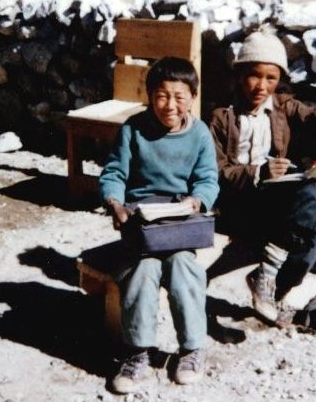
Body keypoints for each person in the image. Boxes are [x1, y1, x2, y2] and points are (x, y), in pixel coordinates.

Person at [209, 25, 316, 322]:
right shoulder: (221, 117)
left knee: (310, 243)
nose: (261, 86)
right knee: (309, 203)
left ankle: (272, 288)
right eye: (254, 75)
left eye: (271, 78)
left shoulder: (283, 107)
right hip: (238, 202)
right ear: (240, 74)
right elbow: (214, 170)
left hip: (275, 200)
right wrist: (257, 172)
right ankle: (266, 277)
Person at [98, 57, 219, 394]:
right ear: (149, 96)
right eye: (162, 95)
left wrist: (197, 200)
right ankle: (137, 353)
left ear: (192, 98)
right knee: (143, 270)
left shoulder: (200, 134)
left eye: (179, 96)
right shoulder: (132, 130)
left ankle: (192, 348)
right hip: (141, 224)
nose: (170, 105)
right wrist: (115, 203)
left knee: (184, 269)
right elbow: (114, 174)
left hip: (180, 224)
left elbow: (208, 178)